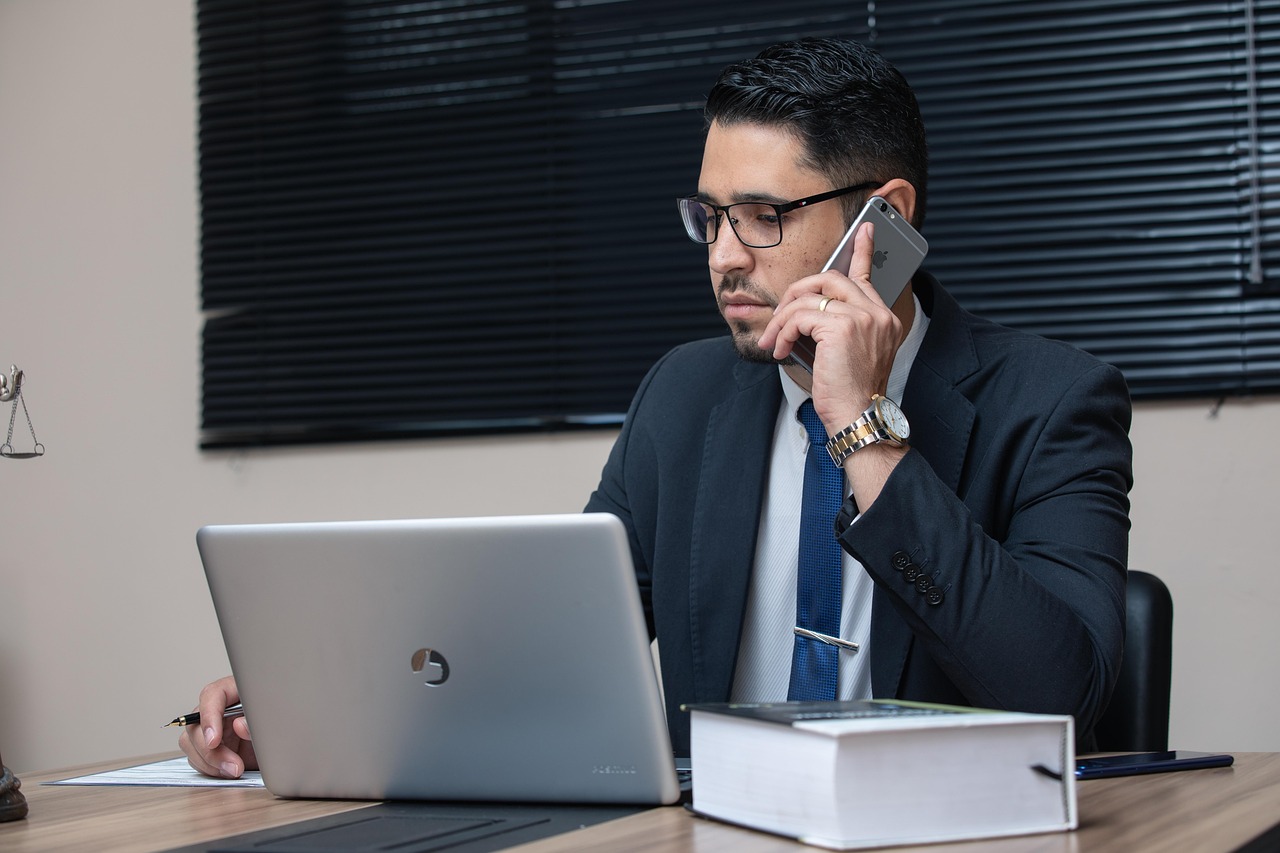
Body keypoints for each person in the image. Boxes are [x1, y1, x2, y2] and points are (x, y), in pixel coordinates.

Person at [179, 36, 1131, 778]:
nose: (721, 256)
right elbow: (551, 656)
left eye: (764, 216)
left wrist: (863, 429)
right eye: (710, 216)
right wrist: (316, 713)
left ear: (885, 219)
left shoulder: (1050, 401)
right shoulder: (686, 395)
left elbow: (1059, 694)